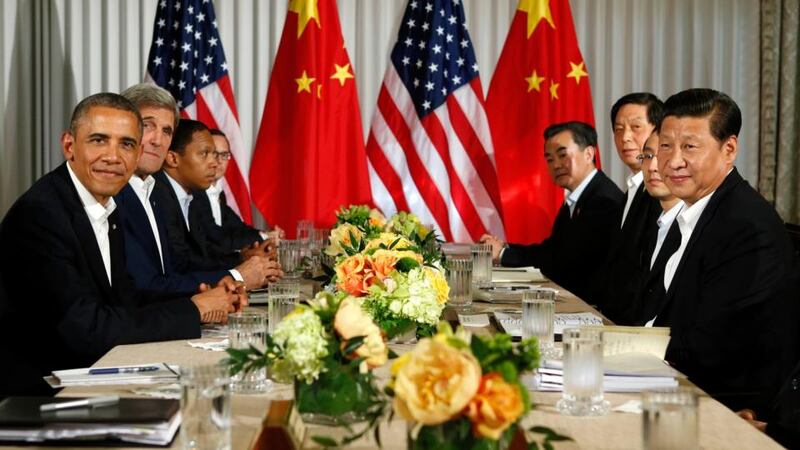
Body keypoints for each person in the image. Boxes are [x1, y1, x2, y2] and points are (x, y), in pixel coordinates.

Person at [0, 93, 242, 395]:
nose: (113, 157)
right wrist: (194, 311)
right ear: (69, 146)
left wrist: (203, 299)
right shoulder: (41, 215)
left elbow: (124, 299)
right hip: (38, 395)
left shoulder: (104, 206)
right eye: (99, 140)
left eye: (126, 144)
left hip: (91, 371)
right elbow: (88, 330)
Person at [653, 88, 799, 415]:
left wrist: (617, 349)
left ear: (728, 149)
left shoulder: (746, 226)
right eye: (665, 145)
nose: (673, 160)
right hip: (682, 382)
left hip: (729, 406)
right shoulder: (698, 211)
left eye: (689, 146)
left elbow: (713, 347)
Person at [114, 84, 277, 293]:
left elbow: (186, 259)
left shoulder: (151, 189)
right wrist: (238, 275)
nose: (157, 140)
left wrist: (243, 261)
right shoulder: (124, 191)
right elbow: (150, 283)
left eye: (166, 131)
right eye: (148, 126)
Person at [481, 121, 624, 301]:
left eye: (562, 155)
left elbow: (565, 262)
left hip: (590, 307)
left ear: (589, 154)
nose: (556, 165)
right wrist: (504, 248)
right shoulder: (577, 198)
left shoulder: (603, 200)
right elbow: (552, 249)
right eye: (549, 159)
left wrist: (503, 255)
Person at [153, 120, 280, 282]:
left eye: (215, 155)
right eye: (204, 154)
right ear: (172, 158)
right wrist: (239, 270)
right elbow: (181, 263)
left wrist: (243, 257)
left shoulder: (188, 195)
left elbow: (205, 250)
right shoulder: (158, 195)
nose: (214, 163)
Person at [593, 93, 664, 322]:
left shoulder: (662, 192)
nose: (626, 137)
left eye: (635, 127)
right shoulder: (632, 189)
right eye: (619, 129)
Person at [633, 131, 683, 325]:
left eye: (662, 156)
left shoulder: (690, 225)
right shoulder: (658, 220)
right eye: (647, 156)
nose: (653, 167)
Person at [204, 129, 281, 255]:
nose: (219, 161)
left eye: (224, 155)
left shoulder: (218, 192)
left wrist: (267, 234)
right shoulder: (194, 194)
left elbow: (239, 229)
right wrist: (264, 236)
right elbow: (218, 240)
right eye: (214, 154)